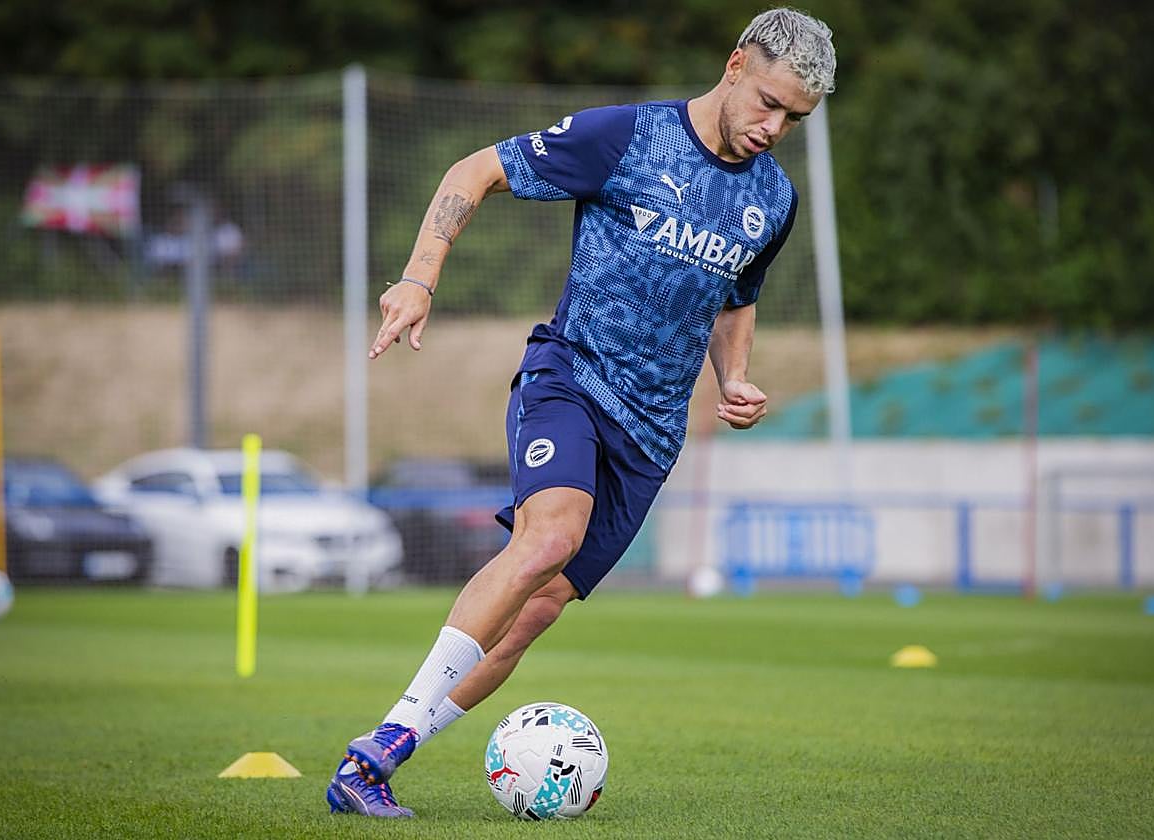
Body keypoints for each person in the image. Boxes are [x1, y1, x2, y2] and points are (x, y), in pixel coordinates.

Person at [326, 7, 837, 818]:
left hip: (652, 436)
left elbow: (737, 295)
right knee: (549, 538)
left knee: (535, 611)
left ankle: (376, 765)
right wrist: (420, 277)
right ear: (736, 65)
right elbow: (474, 170)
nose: (774, 128)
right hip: (571, 376)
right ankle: (377, 748)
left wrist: (734, 376)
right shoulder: (628, 136)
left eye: (794, 119)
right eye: (769, 103)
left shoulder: (773, 199)